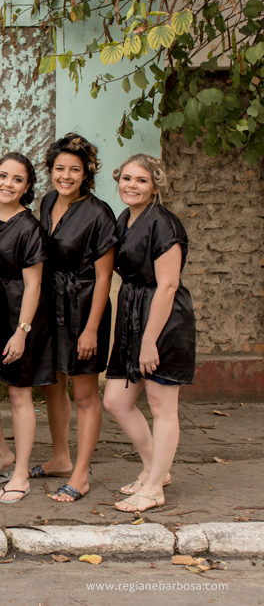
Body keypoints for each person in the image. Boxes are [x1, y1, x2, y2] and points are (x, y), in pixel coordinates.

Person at [103, 154, 195, 513]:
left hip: (163, 320)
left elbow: (169, 285)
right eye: (126, 178)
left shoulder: (164, 224)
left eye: (141, 180)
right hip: (132, 313)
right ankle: (156, 467)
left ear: (155, 184)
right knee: (116, 400)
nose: (131, 186)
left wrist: (149, 341)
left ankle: (154, 486)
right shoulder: (125, 219)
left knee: (162, 406)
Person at [33, 133, 116, 504]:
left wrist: (92, 329)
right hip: (50, 303)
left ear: (86, 174)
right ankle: (61, 458)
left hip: (83, 305)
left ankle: (81, 474)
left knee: (83, 393)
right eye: (59, 168)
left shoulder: (99, 213)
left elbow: (104, 277)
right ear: (50, 170)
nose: (65, 175)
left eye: (74, 170)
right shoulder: (47, 201)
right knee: (53, 384)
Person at [0, 153, 55, 503]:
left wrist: (22, 330)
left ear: (28, 187)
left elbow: (34, 285)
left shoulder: (30, 228)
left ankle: (21, 472)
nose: (8, 184)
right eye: (2, 176)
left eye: (17, 179)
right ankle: (0, 452)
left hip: (23, 311)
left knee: (19, 393)